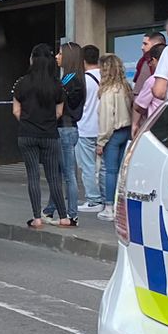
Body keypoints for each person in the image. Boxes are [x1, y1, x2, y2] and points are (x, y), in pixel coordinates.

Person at [11, 42, 70, 229]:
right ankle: (63, 217)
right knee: (54, 177)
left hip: (27, 134)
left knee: (33, 176)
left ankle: (36, 218)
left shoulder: (21, 83)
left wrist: (30, 121)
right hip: (50, 135)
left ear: (32, 60)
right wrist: (46, 121)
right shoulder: (58, 85)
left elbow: (15, 110)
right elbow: (59, 112)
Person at [94, 59, 134, 220]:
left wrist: (101, 141)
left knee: (109, 171)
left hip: (113, 133)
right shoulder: (125, 87)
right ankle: (119, 206)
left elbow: (106, 120)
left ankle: (109, 206)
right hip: (126, 130)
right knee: (120, 171)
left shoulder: (108, 92)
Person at [58, 41, 92, 216]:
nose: (57, 57)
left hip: (66, 128)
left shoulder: (70, 80)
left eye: (60, 54)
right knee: (60, 173)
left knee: (68, 174)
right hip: (69, 127)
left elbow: (62, 105)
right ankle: (52, 208)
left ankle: (71, 214)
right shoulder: (72, 78)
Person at [75, 43, 105, 210]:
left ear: (83, 60)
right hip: (104, 128)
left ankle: (94, 199)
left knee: (87, 165)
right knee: (105, 167)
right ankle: (106, 198)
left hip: (85, 127)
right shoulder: (106, 77)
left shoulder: (83, 80)